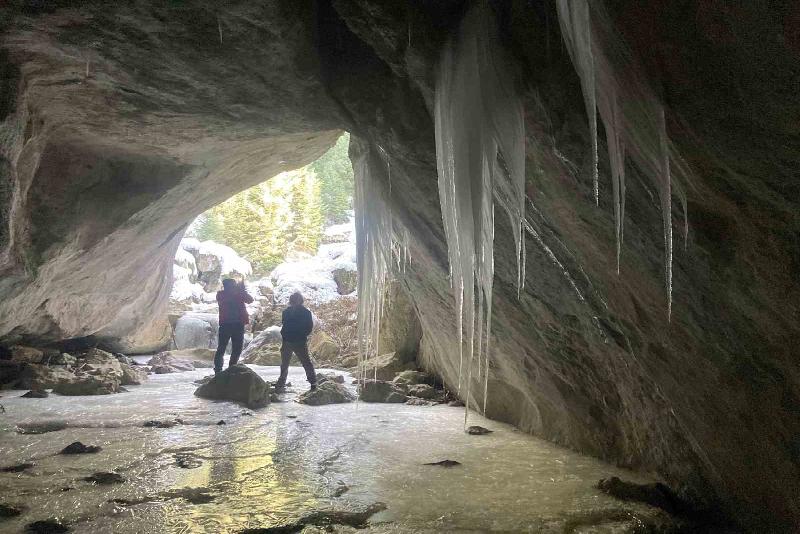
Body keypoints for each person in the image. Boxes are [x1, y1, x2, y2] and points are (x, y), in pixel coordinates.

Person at [276, 291, 316, 390]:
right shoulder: (305, 312)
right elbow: (309, 327)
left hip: (290, 340)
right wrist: (302, 335)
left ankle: (281, 382)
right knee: (305, 362)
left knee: (286, 363)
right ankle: (313, 382)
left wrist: (287, 335)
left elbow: (284, 324)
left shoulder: (286, 312)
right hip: (297, 340)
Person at [214, 278, 254, 374]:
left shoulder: (224, 294)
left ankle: (223, 369)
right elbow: (249, 299)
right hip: (234, 324)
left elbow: (250, 300)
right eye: (233, 285)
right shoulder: (226, 294)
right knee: (232, 348)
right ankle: (228, 369)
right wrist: (241, 291)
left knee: (225, 348)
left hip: (229, 324)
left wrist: (241, 291)